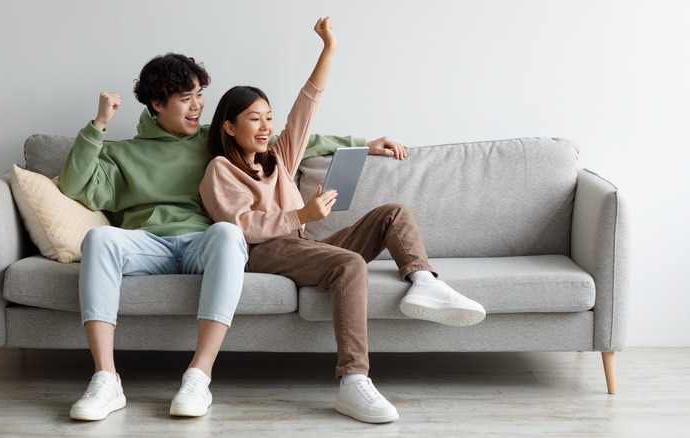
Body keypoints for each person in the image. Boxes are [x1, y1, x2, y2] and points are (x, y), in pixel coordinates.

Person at [59, 50, 408, 420]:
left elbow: (290, 138)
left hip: (205, 243)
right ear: (157, 104)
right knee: (97, 239)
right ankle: (105, 377)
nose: (196, 107)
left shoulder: (214, 140)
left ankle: (198, 375)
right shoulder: (123, 156)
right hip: (147, 244)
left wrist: (362, 144)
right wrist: (97, 126)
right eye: (185, 99)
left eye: (198, 95)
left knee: (228, 232)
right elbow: (74, 185)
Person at [200, 17, 487, 424]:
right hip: (264, 252)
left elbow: (307, 105)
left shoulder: (279, 158)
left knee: (393, 213)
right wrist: (302, 213)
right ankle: (353, 381)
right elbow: (239, 226)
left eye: (268, 117)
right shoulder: (220, 170)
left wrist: (328, 49)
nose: (266, 126)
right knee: (349, 264)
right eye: (254, 118)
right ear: (229, 126)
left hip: (303, 244)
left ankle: (424, 283)